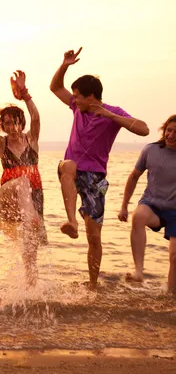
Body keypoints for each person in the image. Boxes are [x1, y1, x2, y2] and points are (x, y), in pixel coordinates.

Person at [50, 47, 149, 290]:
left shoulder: (112, 113)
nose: (74, 99)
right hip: (71, 170)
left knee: (94, 238)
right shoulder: (76, 108)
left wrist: (109, 115)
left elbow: (144, 129)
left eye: (78, 96)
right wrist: (64, 65)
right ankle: (72, 221)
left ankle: (93, 285)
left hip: (96, 178)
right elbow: (55, 88)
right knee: (69, 166)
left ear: (91, 97)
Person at [0, 70, 47, 287]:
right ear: (3, 125)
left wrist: (25, 94)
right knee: (22, 182)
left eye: (15, 122)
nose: (12, 127)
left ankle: (31, 287)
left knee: (30, 248)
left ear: (22, 123)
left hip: (33, 198)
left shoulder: (32, 139)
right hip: (8, 195)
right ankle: (31, 218)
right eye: (7, 123)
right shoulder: (2, 144)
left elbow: (36, 116)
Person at [118, 115, 176, 293]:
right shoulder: (151, 150)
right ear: (164, 130)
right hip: (153, 206)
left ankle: (171, 297)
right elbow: (134, 176)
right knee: (139, 216)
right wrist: (124, 205)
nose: (171, 135)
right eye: (169, 130)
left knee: (174, 257)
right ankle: (138, 272)